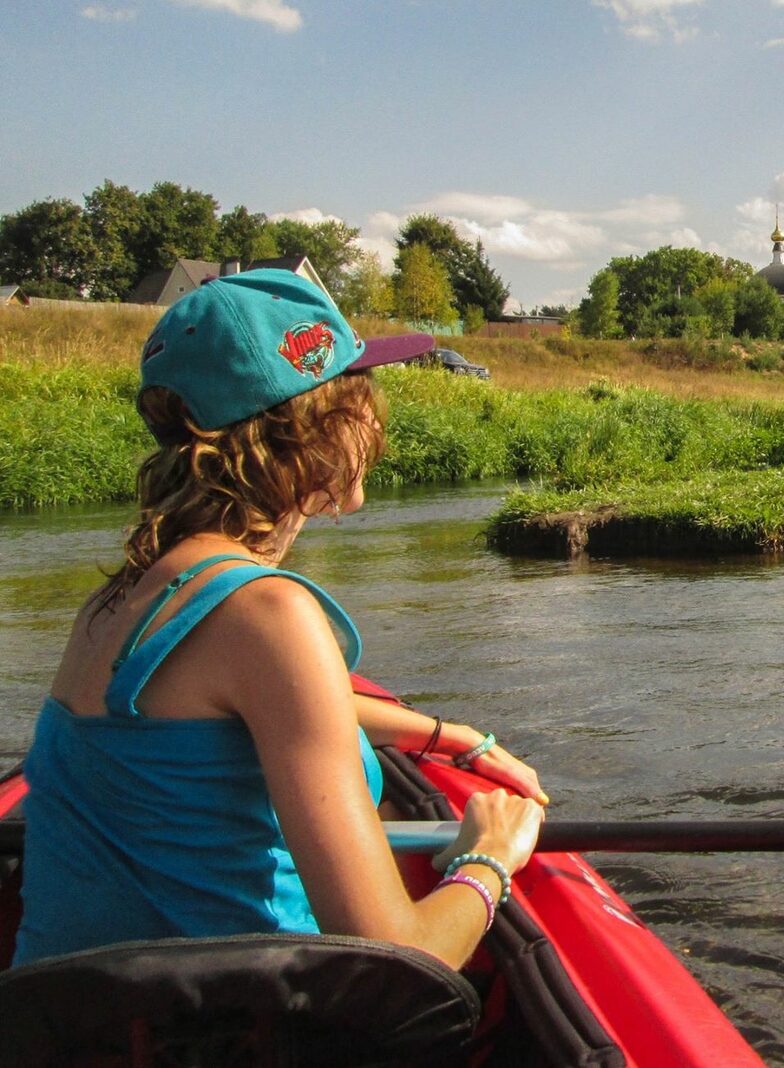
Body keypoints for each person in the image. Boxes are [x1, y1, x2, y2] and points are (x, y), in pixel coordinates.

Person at [13, 270, 545, 968]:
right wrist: (490, 856)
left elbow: (229, 714)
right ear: (316, 422)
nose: (378, 413)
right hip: (232, 1026)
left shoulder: (120, 600)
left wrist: (448, 736)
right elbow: (396, 955)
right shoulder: (269, 613)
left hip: (75, 1027)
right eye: (361, 392)